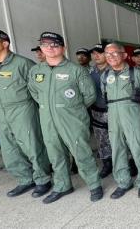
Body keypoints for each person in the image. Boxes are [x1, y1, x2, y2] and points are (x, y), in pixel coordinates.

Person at [0, 28, 51, 198]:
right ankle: (25, 179)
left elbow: (38, 90)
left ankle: (43, 179)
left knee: (32, 144)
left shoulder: (23, 64)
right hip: (0, 109)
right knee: (9, 147)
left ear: (5, 43)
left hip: (22, 107)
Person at [28, 32, 102, 204]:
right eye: (46, 45)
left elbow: (89, 95)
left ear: (63, 48)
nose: (50, 48)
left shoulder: (75, 70)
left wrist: (71, 109)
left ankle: (94, 184)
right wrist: (50, 106)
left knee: (81, 152)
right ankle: (62, 186)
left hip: (72, 119)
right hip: (48, 118)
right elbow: (34, 92)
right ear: (41, 48)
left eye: (55, 45)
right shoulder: (36, 71)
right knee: (55, 154)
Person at [101, 43, 140, 199]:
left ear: (124, 55)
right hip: (113, 116)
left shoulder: (135, 73)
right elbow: (105, 96)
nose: (111, 57)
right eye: (108, 54)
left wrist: (136, 109)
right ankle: (123, 182)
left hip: (132, 116)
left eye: (115, 53)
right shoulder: (105, 76)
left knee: (138, 147)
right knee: (117, 149)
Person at [89, 44, 113, 178]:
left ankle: (127, 162)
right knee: (101, 139)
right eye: (93, 53)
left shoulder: (115, 69)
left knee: (121, 137)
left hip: (114, 110)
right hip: (97, 110)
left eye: (99, 52)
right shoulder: (89, 72)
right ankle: (107, 164)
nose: (96, 56)